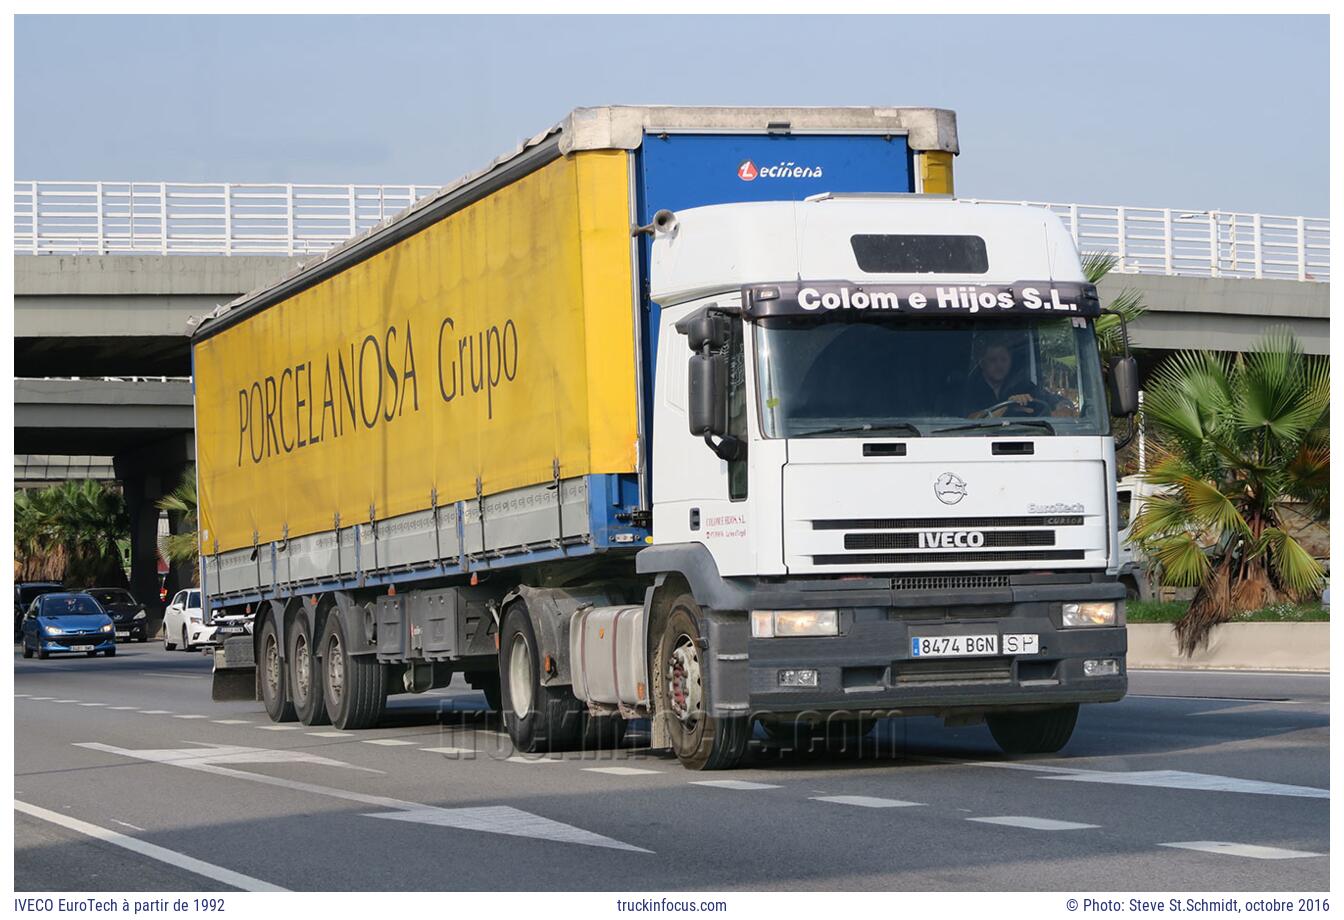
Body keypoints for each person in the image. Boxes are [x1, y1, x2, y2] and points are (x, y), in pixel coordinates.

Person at [964, 338, 1076, 419]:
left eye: (1004, 360)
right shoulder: (969, 389)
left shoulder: (1022, 386)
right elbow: (971, 420)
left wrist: (1064, 408)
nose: (999, 365)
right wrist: (1008, 405)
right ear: (982, 363)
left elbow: (1054, 400)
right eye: (993, 360)